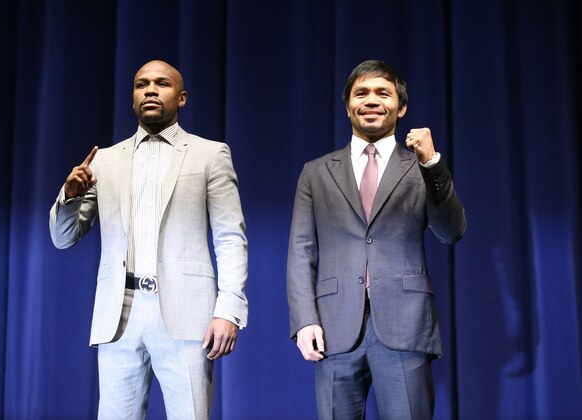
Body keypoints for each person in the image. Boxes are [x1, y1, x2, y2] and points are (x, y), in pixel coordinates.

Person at [49, 60, 248, 419]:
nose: (151, 90)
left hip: (187, 315)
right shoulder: (105, 161)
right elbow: (64, 238)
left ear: (182, 97)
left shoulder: (210, 154)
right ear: (133, 99)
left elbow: (231, 236)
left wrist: (228, 309)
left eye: (162, 84)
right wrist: (70, 196)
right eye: (142, 85)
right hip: (118, 314)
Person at [287, 60, 467, 419]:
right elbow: (300, 250)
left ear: (400, 108)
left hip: (405, 324)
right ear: (348, 106)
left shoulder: (420, 166)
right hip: (335, 327)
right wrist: (304, 319)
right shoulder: (316, 171)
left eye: (382, 93)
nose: (371, 100)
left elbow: (451, 231)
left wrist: (432, 163)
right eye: (361, 93)